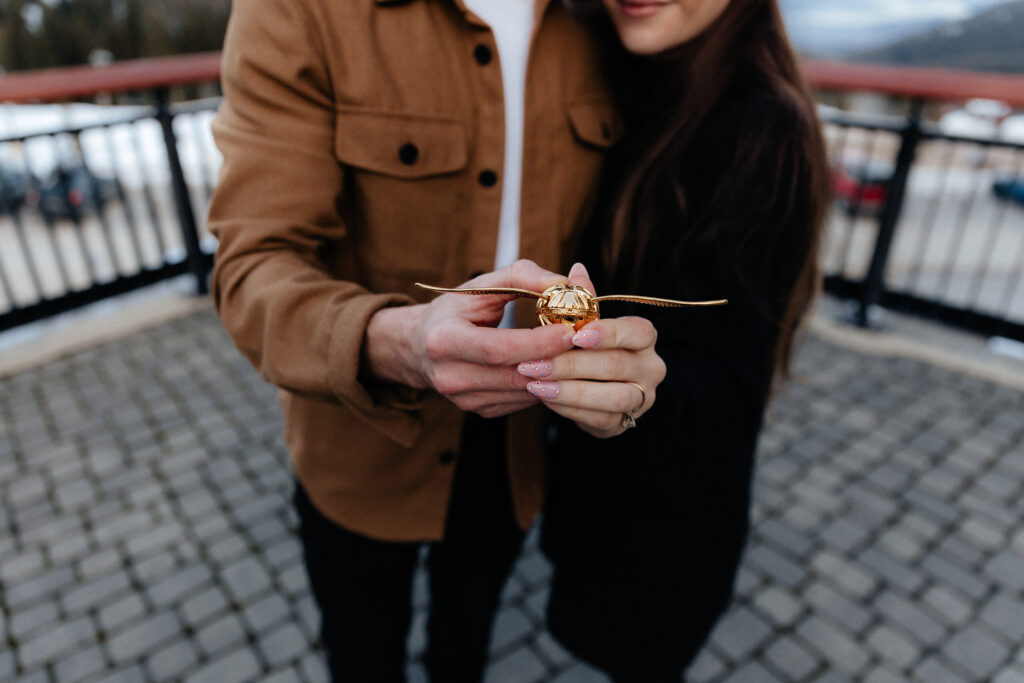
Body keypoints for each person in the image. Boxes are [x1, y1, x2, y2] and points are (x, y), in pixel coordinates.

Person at [206, 0, 666, 681]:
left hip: (515, 448)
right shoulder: (299, 10)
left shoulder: (607, 17)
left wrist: (624, 363)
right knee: (363, 653)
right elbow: (252, 269)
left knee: (466, 644)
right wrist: (403, 340)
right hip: (359, 446)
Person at [525, 0, 830, 680]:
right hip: (589, 492)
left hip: (667, 528)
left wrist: (639, 384)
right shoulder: (618, 74)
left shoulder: (761, 129)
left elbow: (731, 384)